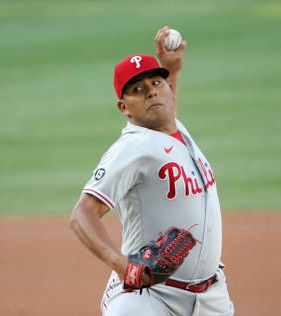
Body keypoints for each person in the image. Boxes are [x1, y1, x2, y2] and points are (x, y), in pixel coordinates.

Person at [70, 26, 234, 316]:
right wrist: (122, 266)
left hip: (211, 299)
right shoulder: (132, 148)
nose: (150, 93)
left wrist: (172, 69)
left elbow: (165, 114)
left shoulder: (174, 132)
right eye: (137, 90)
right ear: (124, 107)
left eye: (156, 83)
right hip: (148, 298)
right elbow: (82, 213)